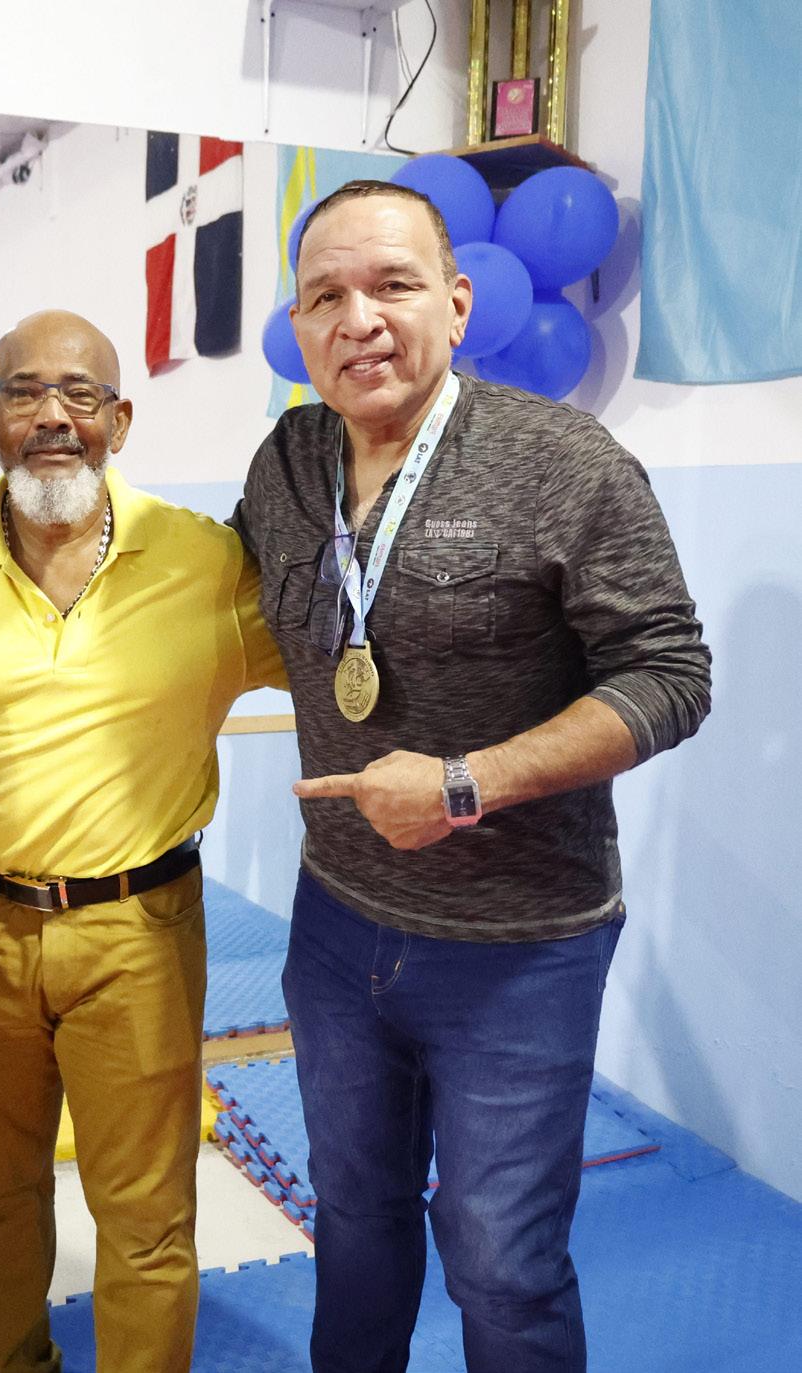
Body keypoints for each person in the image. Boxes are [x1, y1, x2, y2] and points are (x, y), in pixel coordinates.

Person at [230, 180, 711, 1373]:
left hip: (519, 947)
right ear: (298, 327)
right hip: (336, 926)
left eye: (391, 285)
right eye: (325, 296)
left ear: (455, 303)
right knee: (352, 1219)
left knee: (501, 1259)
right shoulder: (285, 463)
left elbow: (669, 675)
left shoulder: (564, 461)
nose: (358, 320)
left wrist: (467, 782)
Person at [0, 309, 285, 1373]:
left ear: (121, 419)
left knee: (147, 1213)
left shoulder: (207, 563)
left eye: (81, 394)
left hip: (140, 932)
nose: (54, 415)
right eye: (25, 392)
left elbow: (343, 661)